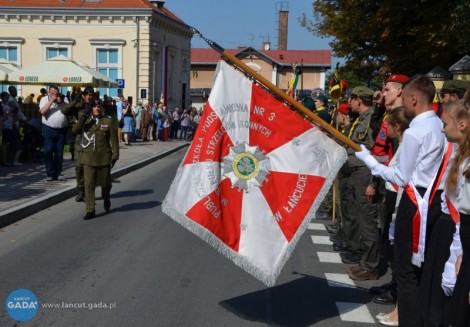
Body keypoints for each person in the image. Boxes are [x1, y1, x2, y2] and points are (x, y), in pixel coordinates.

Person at [355, 75, 446, 326]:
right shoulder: (438, 126)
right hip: (433, 200)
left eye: (404, 98)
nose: (402, 104)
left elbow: (401, 176)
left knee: (405, 269)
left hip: (414, 201)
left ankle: (408, 320)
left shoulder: (416, 131)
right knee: (422, 268)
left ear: (414, 98)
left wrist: (370, 161)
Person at [375, 106, 412, 326]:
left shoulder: (410, 140)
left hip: (405, 202)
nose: (386, 127)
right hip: (396, 198)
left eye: (389, 123)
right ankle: (399, 307)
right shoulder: (404, 141)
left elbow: (400, 175)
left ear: (397, 125)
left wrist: (372, 164)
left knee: (404, 262)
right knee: (396, 256)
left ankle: (402, 310)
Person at [72, 98, 119, 220]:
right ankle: (90, 210)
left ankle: (106, 197)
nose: (97, 108)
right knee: (89, 185)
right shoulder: (86, 121)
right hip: (88, 158)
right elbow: (74, 131)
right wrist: (82, 119)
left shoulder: (107, 121)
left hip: (104, 158)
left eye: (98, 106)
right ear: (91, 108)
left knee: (105, 184)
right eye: (94, 106)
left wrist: (115, 155)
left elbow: (114, 140)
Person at [62, 86, 95, 202]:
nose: (89, 97)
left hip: (92, 139)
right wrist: (75, 100)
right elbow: (64, 110)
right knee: (79, 166)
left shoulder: (95, 106)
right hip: (79, 138)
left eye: (91, 95)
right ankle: (81, 190)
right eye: (88, 95)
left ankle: (88, 191)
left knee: (90, 167)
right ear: (84, 95)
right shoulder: (77, 107)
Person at [39, 86, 68, 181]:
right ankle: (50, 173)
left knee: (59, 153)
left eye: (57, 93)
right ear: (49, 93)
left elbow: (69, 111)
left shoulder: (64, 98)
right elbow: (43, 111)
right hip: (48, 129)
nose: (56, 95)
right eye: (53, 94)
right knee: (48, 151)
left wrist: (62, 102)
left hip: (61, 129)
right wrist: (51, 101)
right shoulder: (44, 99)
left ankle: (58, 173)